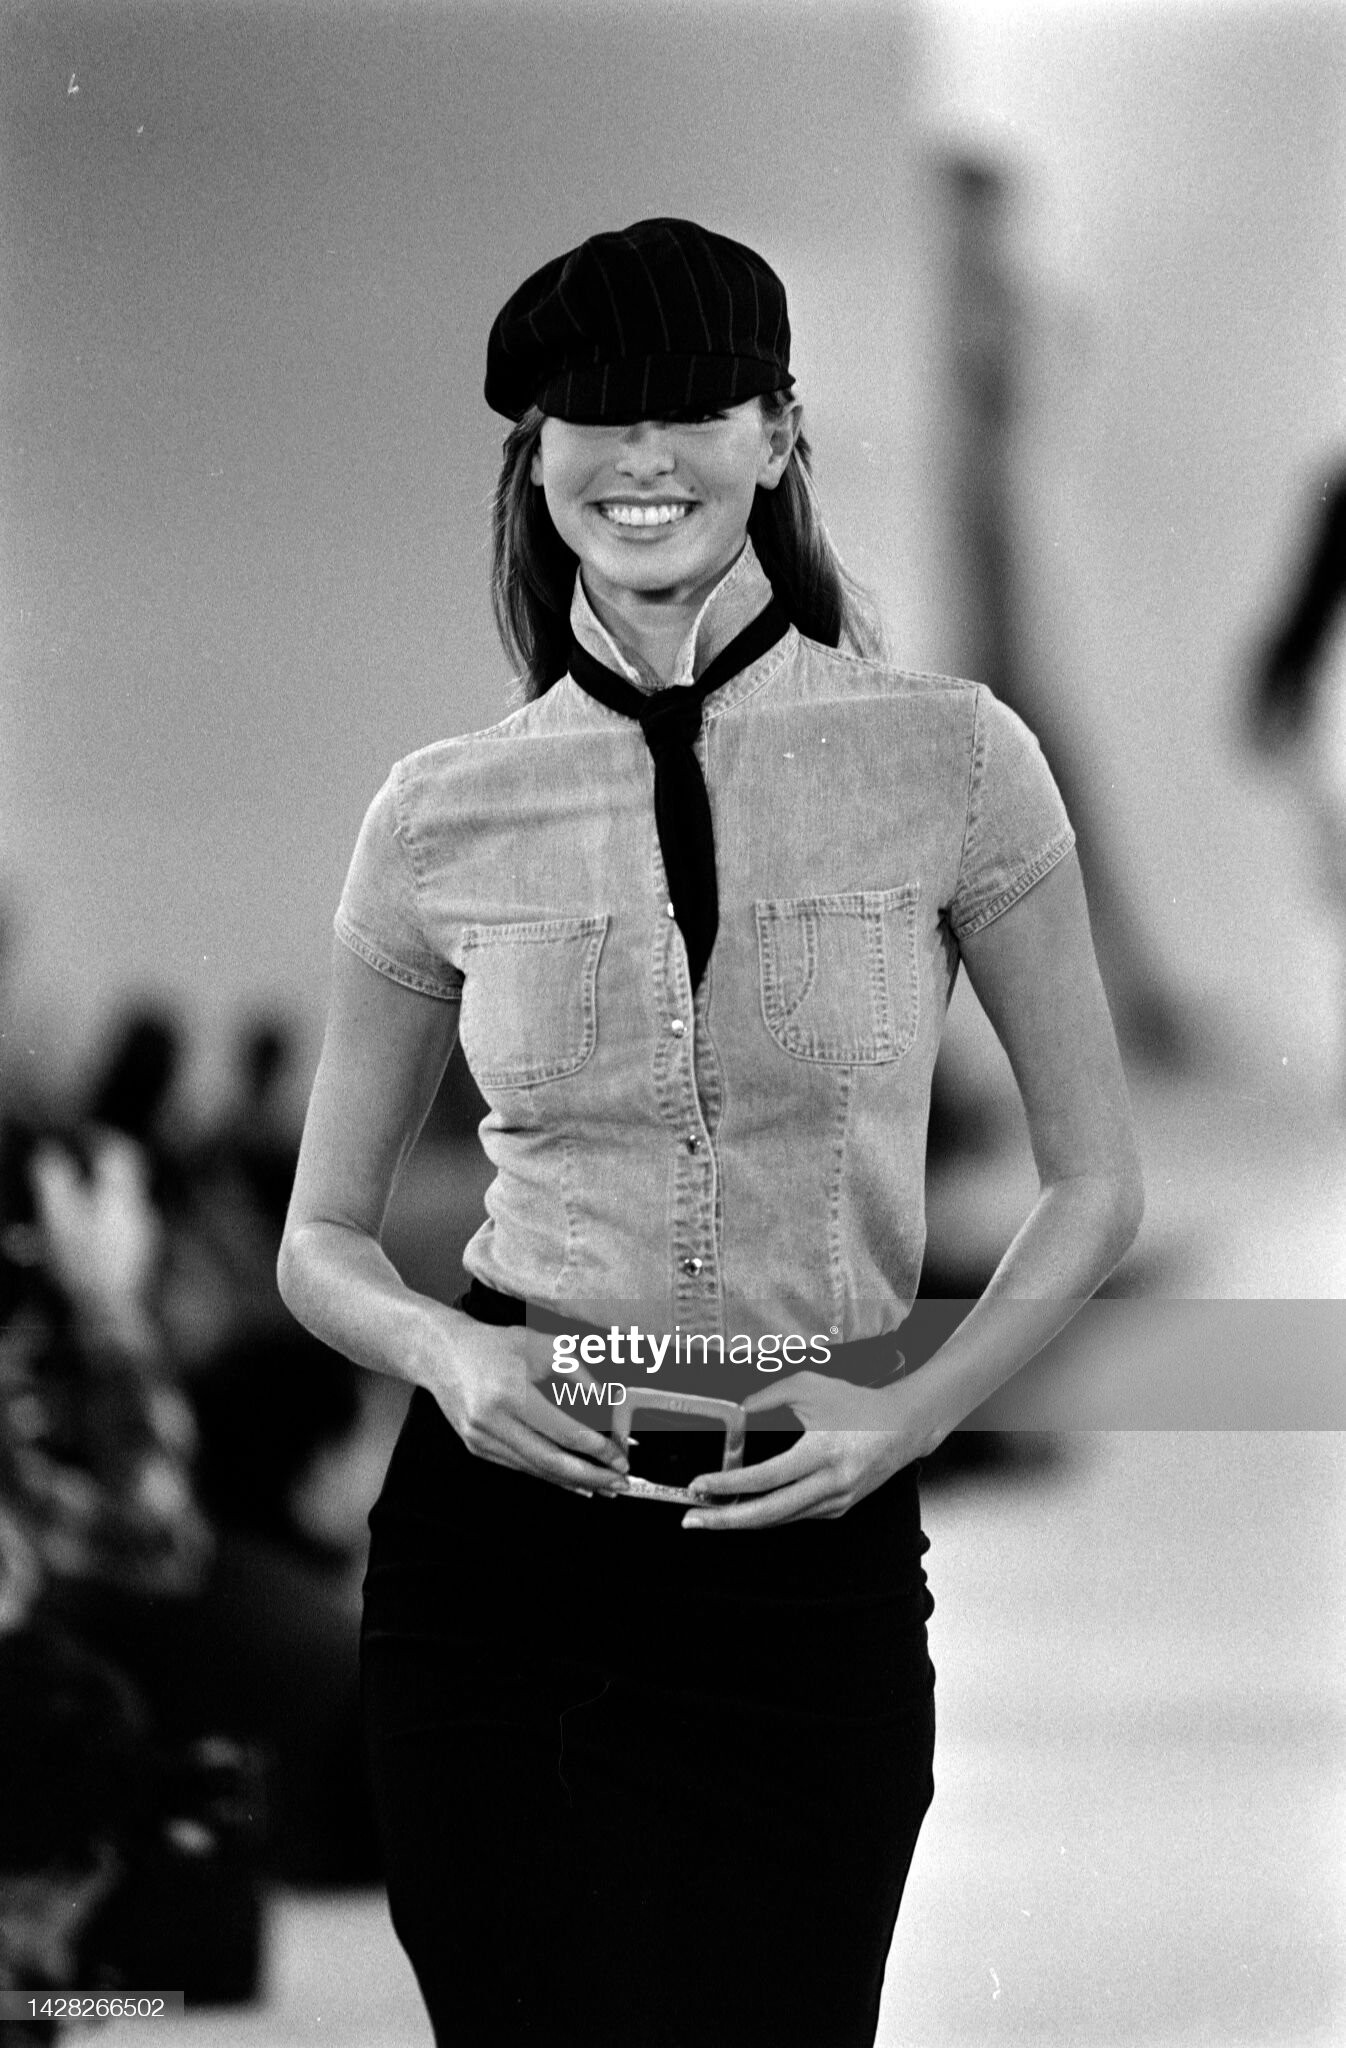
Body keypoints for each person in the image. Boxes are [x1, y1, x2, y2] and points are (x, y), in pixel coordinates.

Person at [278, 218, 1143, 2047]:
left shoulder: (953, 761)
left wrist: (913, 1411)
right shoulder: (440, 813)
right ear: (537, 456)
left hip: (804, 1559)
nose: (644, 458)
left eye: (692, 409)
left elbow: (1093, 1185)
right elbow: (320, 1242)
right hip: (498, 1557)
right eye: (596, 417)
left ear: (778, 432)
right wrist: (445, 1354)